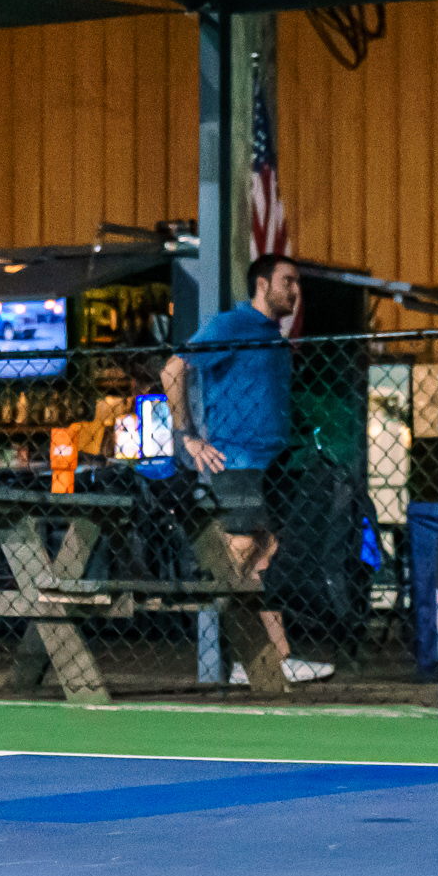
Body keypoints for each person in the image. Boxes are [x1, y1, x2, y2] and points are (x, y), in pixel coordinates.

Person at [161, 252, 332, 685]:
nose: (295, 291)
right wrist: (188, 436)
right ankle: (243, 652)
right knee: (240, 551)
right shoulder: (232, 325)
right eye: (288, 281)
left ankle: (271, 656)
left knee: (266, 552)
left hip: (272, 465)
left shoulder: (273, 336)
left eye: (298, 282)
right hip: (235, 460)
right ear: (262, 284)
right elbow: (173, 370)